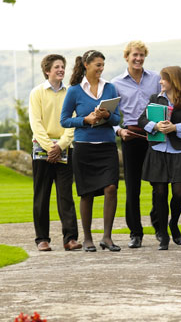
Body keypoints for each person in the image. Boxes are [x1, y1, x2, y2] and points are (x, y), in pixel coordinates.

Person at [60, 50, 122, 252]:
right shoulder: (74, 91)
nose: (101, 69)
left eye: (103, 65)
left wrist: (107, 115)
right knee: (86, 194)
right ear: (86, 65)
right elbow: (64, 120)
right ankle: (87, 238)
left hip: (107, 146)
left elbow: (117, 118)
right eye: (98, 65)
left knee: (111, 188)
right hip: (84, 147)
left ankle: (107, 237)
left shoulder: (110, 88)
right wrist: (85, 120)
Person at [138, 66, 181, 250]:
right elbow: (142, 120)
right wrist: (156, 126)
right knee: (160, 193)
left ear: (173, 80)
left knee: (179, 193)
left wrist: (175, 128)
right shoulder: (155, 99)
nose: (160, 82)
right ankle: (163, 234)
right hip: (157, 151)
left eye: (163, 79)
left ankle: (174, 223)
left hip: (178, 152)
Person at [111, 40, 161, 249]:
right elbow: (111, 115)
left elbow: (164, 104)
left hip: (154, 136)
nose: (138, 59)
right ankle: (135, 233)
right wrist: (119, 131)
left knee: (159, 185)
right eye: (135, 55)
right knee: (133, 188)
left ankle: (159, 228)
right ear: (127, 57)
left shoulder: (156, 79)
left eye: (141, 55)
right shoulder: (115, 84)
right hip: (131, 137)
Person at [29, 54, 81, 252]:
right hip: (42, 150)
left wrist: (61, 145)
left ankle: (70, 239)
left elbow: (73, 122)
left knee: (65, 195)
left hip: (65, 149)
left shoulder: (71, 93)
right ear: (47, 70)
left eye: (62, 66)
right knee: (41, 196)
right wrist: (50, 148)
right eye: (57, 67)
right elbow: (36, 123)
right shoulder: (37, 93)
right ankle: (42, 239)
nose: (61, 70)